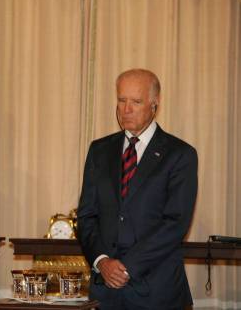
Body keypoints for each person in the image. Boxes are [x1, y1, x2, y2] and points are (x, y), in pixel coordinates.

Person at [77, 69, 198, 309]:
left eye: (136, 101)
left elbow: (176, 222)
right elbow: (87, 215)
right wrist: (102, 262)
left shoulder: (180, 154)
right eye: (122, 100)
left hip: (157, 291)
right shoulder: (99, 150)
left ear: (155, 104)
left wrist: (127, 267)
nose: (126, 109)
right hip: (105, 293)